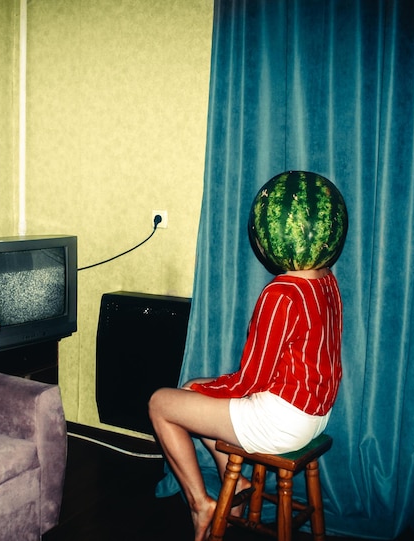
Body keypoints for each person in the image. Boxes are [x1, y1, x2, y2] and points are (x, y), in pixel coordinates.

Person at [148, 171, 347, 541]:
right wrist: (203, 387)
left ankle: (201, 503)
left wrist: (208, 388)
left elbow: (249, 382)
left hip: (282, 421)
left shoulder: (283, 292)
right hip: (316, 414)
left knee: (161, 402)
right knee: (194, 389)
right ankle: (234, 492)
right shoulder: (327, 281)